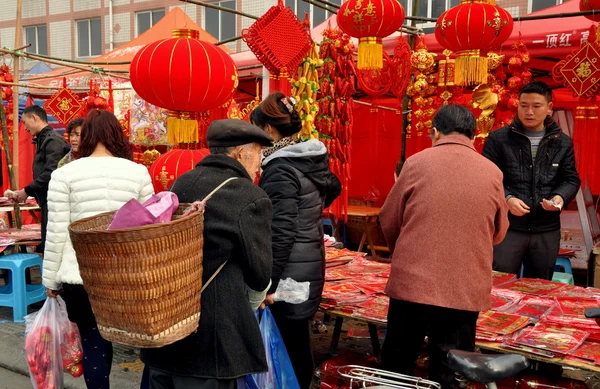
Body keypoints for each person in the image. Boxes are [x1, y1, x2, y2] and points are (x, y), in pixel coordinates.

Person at [379, 104, 509, 389]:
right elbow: (499, 232)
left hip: (411, 285)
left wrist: (404, 252)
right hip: (463, 287)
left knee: (397, 366)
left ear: (435, 132)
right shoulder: (492, 172)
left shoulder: (415, 163)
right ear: (474, 137)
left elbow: (388, 220)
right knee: (450, 368)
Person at [141, 119, 274, 389]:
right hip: (213, 338)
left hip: (169, 324)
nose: (260, 163)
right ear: (240, 153)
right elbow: (260, 274)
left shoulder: (182, 182)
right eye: (259, 152)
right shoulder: (250, 196)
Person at [43, 109, 154, 389]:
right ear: (117, 135)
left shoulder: (64, 174)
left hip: (81, 274)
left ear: (86, 136)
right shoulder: (138, 172)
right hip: (126, 275)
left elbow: (56, 231)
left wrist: (50, 280)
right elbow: (151, 226)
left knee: (93, 343)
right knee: (146, 343)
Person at [251, 92, 341, 389]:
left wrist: (267, 283)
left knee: (289, 346)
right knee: (296, 340)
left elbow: (280, 231)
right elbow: (333, 187)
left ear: (268, 130)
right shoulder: (311, 159)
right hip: (308, 265)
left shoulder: (280, 168)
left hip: (289, 271)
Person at [482, 81, 581, 280]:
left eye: (536, 106)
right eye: (524, 105)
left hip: (546, 228)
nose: (529, 112)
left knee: (540, 287)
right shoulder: (498, 139)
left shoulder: (562, 142)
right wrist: (507, 198)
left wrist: (560, 198)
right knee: (500, 284)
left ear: (549, 108)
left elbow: (570, 178)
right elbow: (486, 177)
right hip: (508, 228)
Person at [5, 105, 69, 252]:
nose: (25, 129)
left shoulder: (53, 141)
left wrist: (27, 190)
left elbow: (51, 173)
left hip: (55, 202)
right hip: (47, 201)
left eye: (26, 123)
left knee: (52, 246)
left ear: (35, 118)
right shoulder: (43, 140)